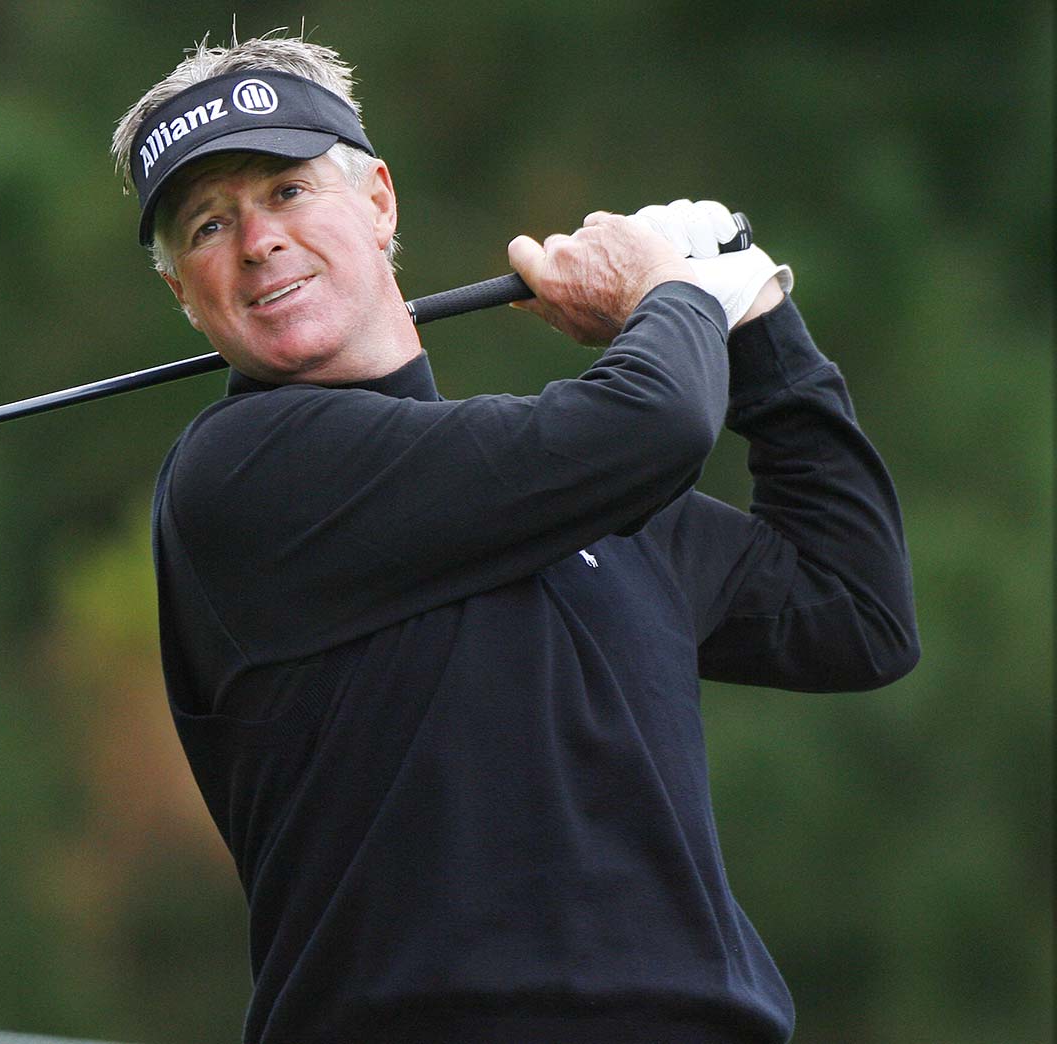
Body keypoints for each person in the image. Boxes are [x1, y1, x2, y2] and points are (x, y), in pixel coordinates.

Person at [110, 33, 920, 1044]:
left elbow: (856, 613)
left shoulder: (567, 489)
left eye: (283, 191)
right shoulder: (242, 474)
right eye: (206, 225)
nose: (257, 240)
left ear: (377, 201)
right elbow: (653, 423)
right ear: (183, 292)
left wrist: (755, 312)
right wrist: (672, 289)